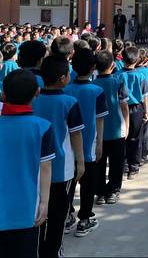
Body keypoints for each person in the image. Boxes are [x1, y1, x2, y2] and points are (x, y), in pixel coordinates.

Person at [33, 56, 85, 256]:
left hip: (38, 167)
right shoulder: (70, 102)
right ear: (64, 78)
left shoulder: (34, 99)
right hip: (62, 167)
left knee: (40, 213)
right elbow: (76, 133)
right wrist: (81, 161)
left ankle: (40, 250)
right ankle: (54, 251)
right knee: (58, 215)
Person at [0, 70, 55, 258]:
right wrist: (45, 202)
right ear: (37, 92)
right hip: (28, 210)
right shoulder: (43, 127)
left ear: (4, 94)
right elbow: (46, 167)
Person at [65, 48, 108, 237]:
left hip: (68, 147)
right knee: (88, 185)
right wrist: (100, 143)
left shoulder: (65, 89)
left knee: (70, 184)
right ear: (93, 68)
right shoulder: (97, 91)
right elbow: (99, 120)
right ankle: (84, 220)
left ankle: (66, 217)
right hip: (89, 145)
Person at [93, 51, 129, 205]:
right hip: (116, 129)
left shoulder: (92, 85)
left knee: (99, 164)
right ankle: (113, 191)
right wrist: (127, 125)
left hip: (97, 133)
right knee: (116, 163)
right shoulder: (118, 81)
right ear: (113, 65)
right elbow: (124, 106)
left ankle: (100, 193)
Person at [118, 46, 148, 180]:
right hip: (137, 108)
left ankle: (124, 166)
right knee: (136, 138)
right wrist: (146, 112)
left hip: (121, 108)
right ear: (137, 60)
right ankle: (134, 167)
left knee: (122, 138)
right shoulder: (141, 75)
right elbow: (145, 96)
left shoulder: (117, 75)